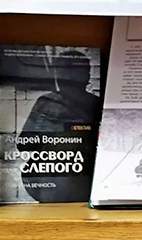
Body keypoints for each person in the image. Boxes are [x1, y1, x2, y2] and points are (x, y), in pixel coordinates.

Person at [18, 50, 102, 201]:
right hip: (58, 180)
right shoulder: (47, 103)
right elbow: (24, 143)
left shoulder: (48, 102)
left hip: (71, 181)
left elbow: (24, 144)